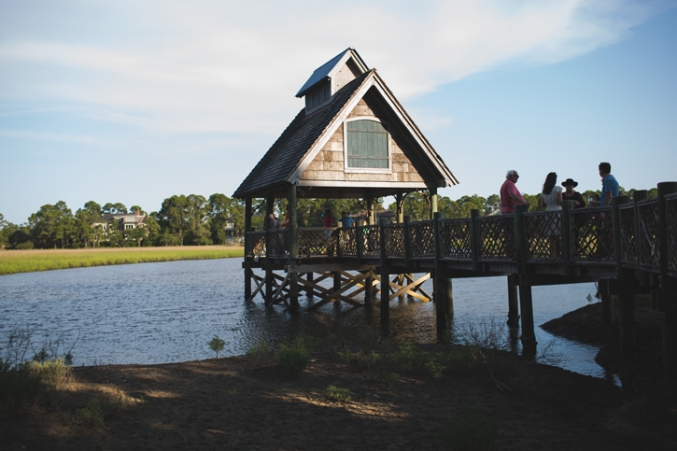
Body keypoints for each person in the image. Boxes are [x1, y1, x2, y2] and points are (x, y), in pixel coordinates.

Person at [539, 172, 563, 257]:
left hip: (548, 212)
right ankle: (562, 252)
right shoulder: (558, 189)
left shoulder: (545, 190)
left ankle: (553, 253)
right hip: (557, 211)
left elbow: (542, 204)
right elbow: (560, 202)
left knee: (552, 235)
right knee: (561, 233)